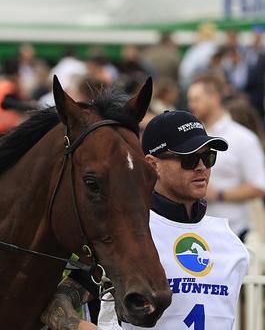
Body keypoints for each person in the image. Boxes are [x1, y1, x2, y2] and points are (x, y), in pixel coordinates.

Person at [42, 110, 249, 330]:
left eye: (208, 157)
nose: (201, 167)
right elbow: (57, 302)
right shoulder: (127, 233)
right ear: (152, 164)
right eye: (188, 159)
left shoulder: (231, 242)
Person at [187, 73, 265, 240]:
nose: (191, 105)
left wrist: (220, 195)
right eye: (190, 100)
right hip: (197, 234)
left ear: (214, 98)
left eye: (196, 99)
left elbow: (260, 185)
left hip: (235, 234)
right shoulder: (189, 138)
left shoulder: (243, 138)